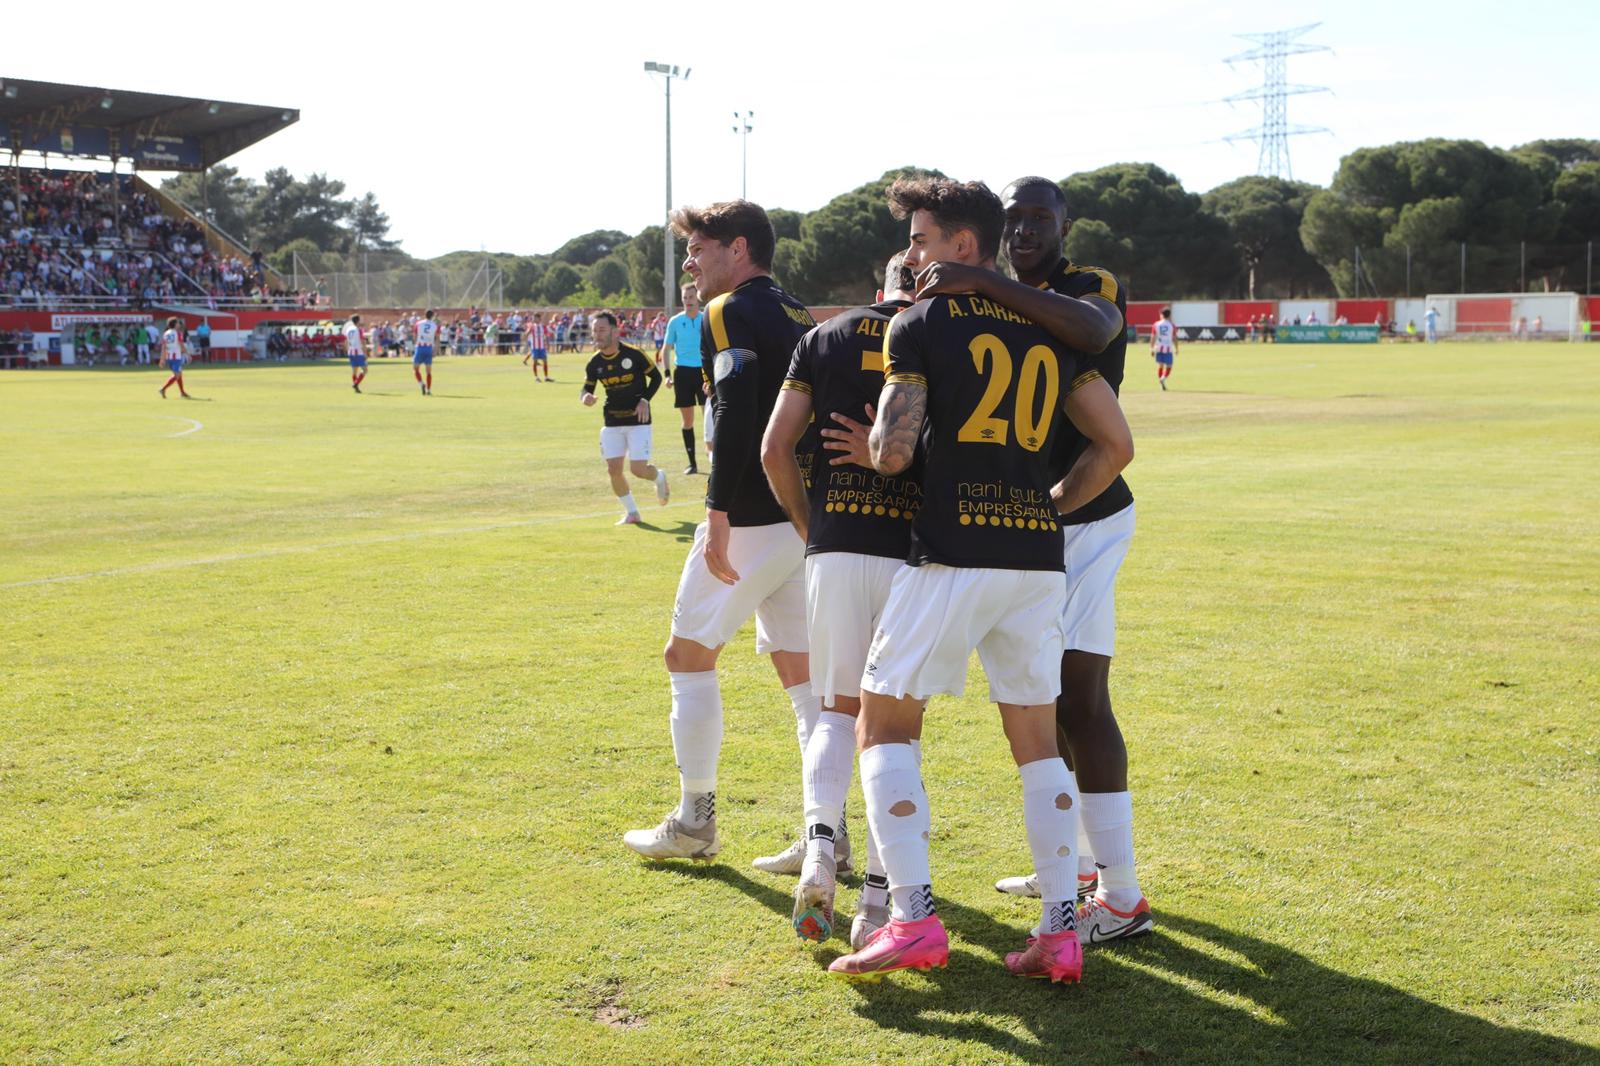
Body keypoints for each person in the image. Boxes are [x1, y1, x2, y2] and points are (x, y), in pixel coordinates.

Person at [826, 177, 1133, 985]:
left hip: (951, 553)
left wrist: (872, 452)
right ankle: (1061, 932)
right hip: (1035, 559)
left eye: (921, 238)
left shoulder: (918, 323)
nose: (911, 254)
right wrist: (1047, 507)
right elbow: (1116, 447)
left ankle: (914, 920)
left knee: (882, 725)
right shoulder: (1049, 332)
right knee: (1039, 749)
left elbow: (892, 453)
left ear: (962, 246)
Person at [914, 175, 1151, 945]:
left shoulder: (1087, 284)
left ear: (1065, 223)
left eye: (1038, 219)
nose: (1024, 232)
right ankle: (1078, 869)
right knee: (1038, 704)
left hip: (1083, 515)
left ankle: (1122, 897)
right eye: (1012, 222)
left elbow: (1092, 330)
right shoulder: (1001, 299)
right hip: (1027, 525)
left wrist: (980, 277)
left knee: (1080, 699)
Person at [621, 199, 819, 868]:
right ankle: (831, 832)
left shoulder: (726, 311)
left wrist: (715, 511)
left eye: (699, 250)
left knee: (687, 655)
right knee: (802, 677)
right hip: (801, 519)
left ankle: (695, 822)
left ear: (738, 249)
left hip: (753, 516)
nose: (691, 263)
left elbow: (735, 410)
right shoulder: (797, 312)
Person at [761, 253, 918, 948]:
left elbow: (774, 449)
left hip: (836, 545)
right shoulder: (939, 339)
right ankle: (878, 903)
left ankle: (822, 847)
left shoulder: (824, 336)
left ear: (874, 287)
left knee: (835, 710)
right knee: (895, 731)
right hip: (914, 555)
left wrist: (808, 525)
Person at [581, 311, 671, 525]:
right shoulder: (594, 363)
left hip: (638, 420)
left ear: (615, 330)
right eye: (594, 330)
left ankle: (659, 477)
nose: (597, 335)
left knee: (638, 470)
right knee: (613, 469)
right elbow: (587, 386)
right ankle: (632, 513)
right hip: (611, 420)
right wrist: (585, 396)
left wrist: (645, 400)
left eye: (601, 330)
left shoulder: (634, 354)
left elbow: (656, 377)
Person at [663, 282, 709, 474]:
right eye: (684, 298)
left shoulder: (706, 318)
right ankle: (692, 463)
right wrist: (666, 374)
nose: (688, 301)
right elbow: (666, 349)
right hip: (682, 373)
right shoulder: (675, 321)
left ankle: (715, 460)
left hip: (704, 374)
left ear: (697, 297)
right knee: (687, 420)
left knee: (710, 420)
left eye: (691, 297)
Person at [158, 316, 191, 399]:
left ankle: (182, 392)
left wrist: (162, 359)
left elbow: (163, 347)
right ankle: (163, 389)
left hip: (169, 357)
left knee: (179, 374)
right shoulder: (178, 333)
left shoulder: (166, 333)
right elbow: (181, 345)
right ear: (175, 324)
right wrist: (188, 354)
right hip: (176, 357)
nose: (179, 324)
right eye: (177, 323)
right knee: (177, 375)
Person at [414, 309, 438, 394]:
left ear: (424, 315)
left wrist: (415, 345)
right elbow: (437, 338)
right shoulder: (435, 325)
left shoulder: (418, 323)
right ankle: (429, 390)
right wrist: (435, 350)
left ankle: (421, 384)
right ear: (432, 316)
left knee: (416, 369)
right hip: (429, 348)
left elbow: (415, 335)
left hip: (420, 347)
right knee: (428, 371)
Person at [1151, 307, 1177, 389]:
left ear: (1162, 315)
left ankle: (1161, 382)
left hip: (1158, 348)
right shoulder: (1172, 325)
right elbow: (1174, 338)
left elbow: (1153, 337)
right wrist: (1177, 348)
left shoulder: (1156, 324)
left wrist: (1151, 348)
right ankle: (1163, 378)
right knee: (1169, 365)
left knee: (1160, 365)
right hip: (1168, 348)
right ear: (1169, 315)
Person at [345, 313, 368, 393]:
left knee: (354, 371)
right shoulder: (358, 329)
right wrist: (365, 353)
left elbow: (346, 341)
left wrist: (347, 351)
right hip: (358, 352)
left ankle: (356, 388)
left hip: (351, 352)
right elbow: (363, 342)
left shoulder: (348, 329)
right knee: (365, 370)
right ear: (358, 320)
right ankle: (356, 384)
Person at [525, 312, 551, 380]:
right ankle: (536, 377)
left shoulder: (543, 326)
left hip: (542, 347)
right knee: (535, 361)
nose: (534, 319)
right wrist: (527, 334)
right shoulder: (532, 326)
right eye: (534, 318)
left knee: (545, 361)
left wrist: (548, 344)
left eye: (535, 318)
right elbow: (526, 334)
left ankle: (546, 377)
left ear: (539, 319)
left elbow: (546, 335)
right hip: (535, 347)